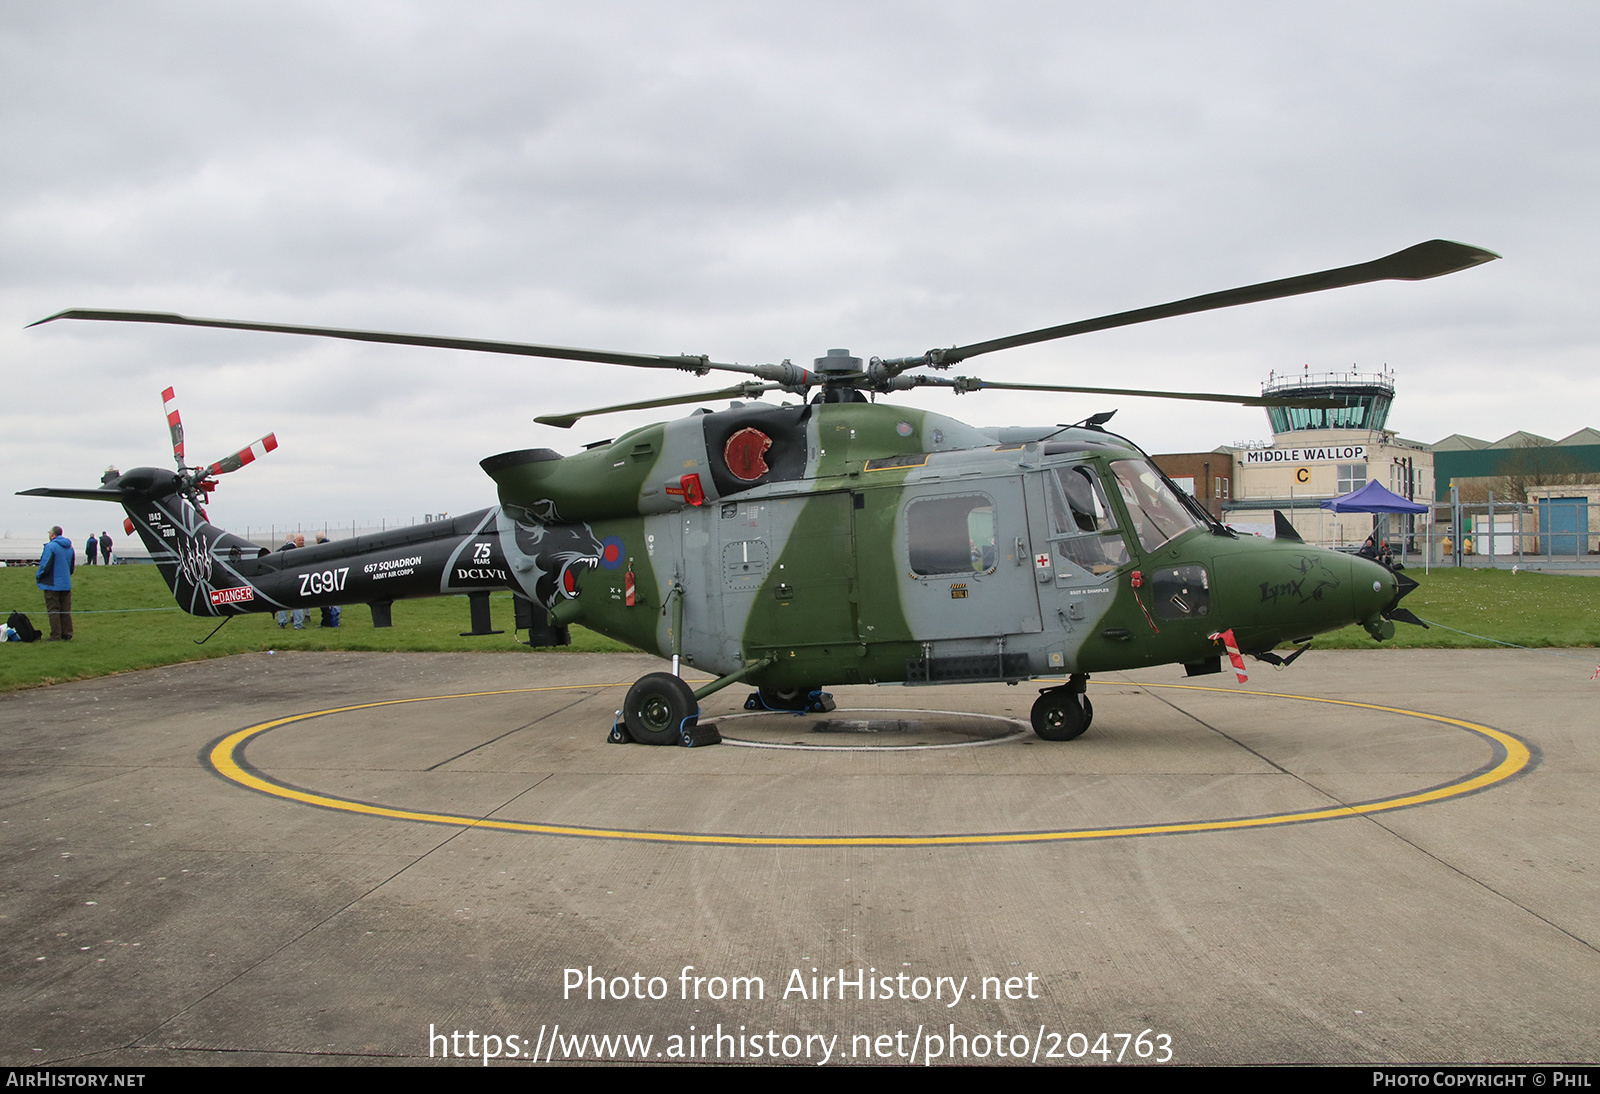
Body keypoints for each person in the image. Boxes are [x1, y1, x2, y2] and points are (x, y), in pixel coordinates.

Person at [36, 526, 74, 641]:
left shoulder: (50, 546)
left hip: (52, 583)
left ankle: (55, 635)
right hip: (66, 583)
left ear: (52, 535)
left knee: (54, 610)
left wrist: (39, 576)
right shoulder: (70, 548)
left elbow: (45, 564)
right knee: (65, 610)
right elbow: (71, 567)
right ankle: (67, 633)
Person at [276, 533, 306, 628]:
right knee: (296, 602)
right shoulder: (296, 551)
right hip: (293, 578)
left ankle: (282, 622)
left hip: (281, 578)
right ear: (294, 541)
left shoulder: (280, 550)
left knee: (282, 601)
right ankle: (298, 624)